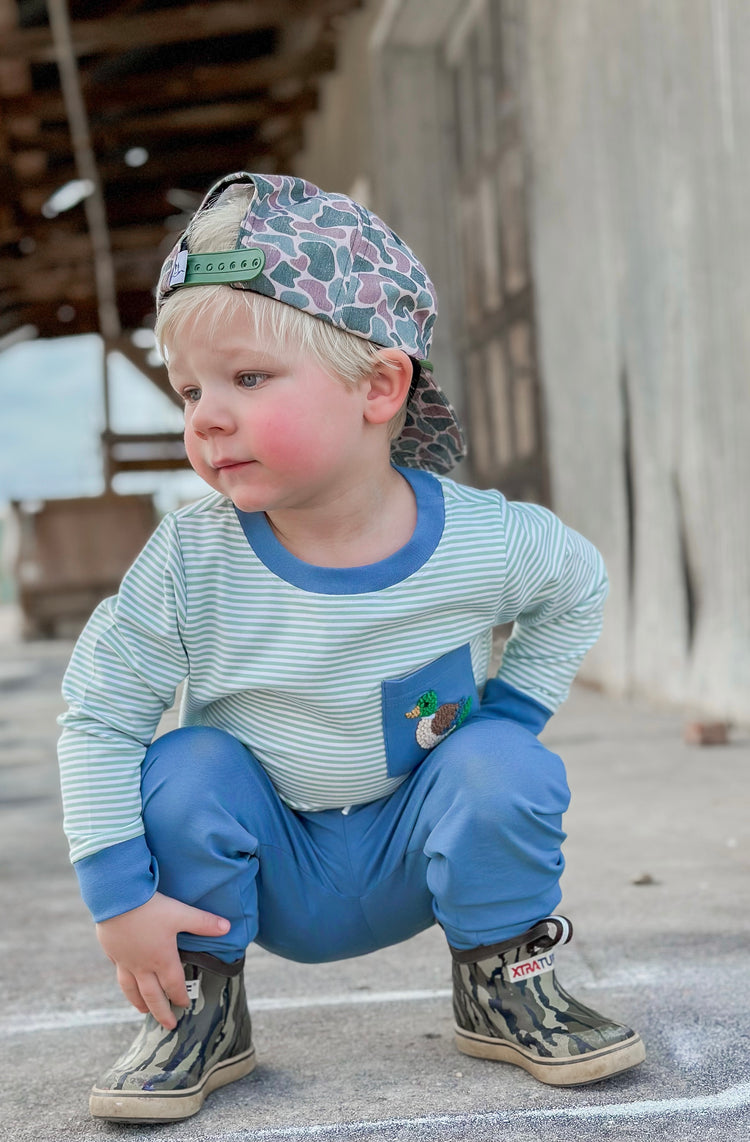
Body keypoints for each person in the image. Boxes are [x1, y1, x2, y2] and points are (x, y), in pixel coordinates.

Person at [57, 172, 644, 1124]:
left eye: (247, 379)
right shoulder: (188, 559)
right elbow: (98, 718)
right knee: (183, 765)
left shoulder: (484, 541)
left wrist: (513, 712)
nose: (206, 415)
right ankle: (203, 1010)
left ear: (380, 386)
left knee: (502, 764)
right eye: (191, 387)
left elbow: (579, 586)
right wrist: (119, 900)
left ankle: (501, 983)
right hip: (263, 869)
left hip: (416, 851)